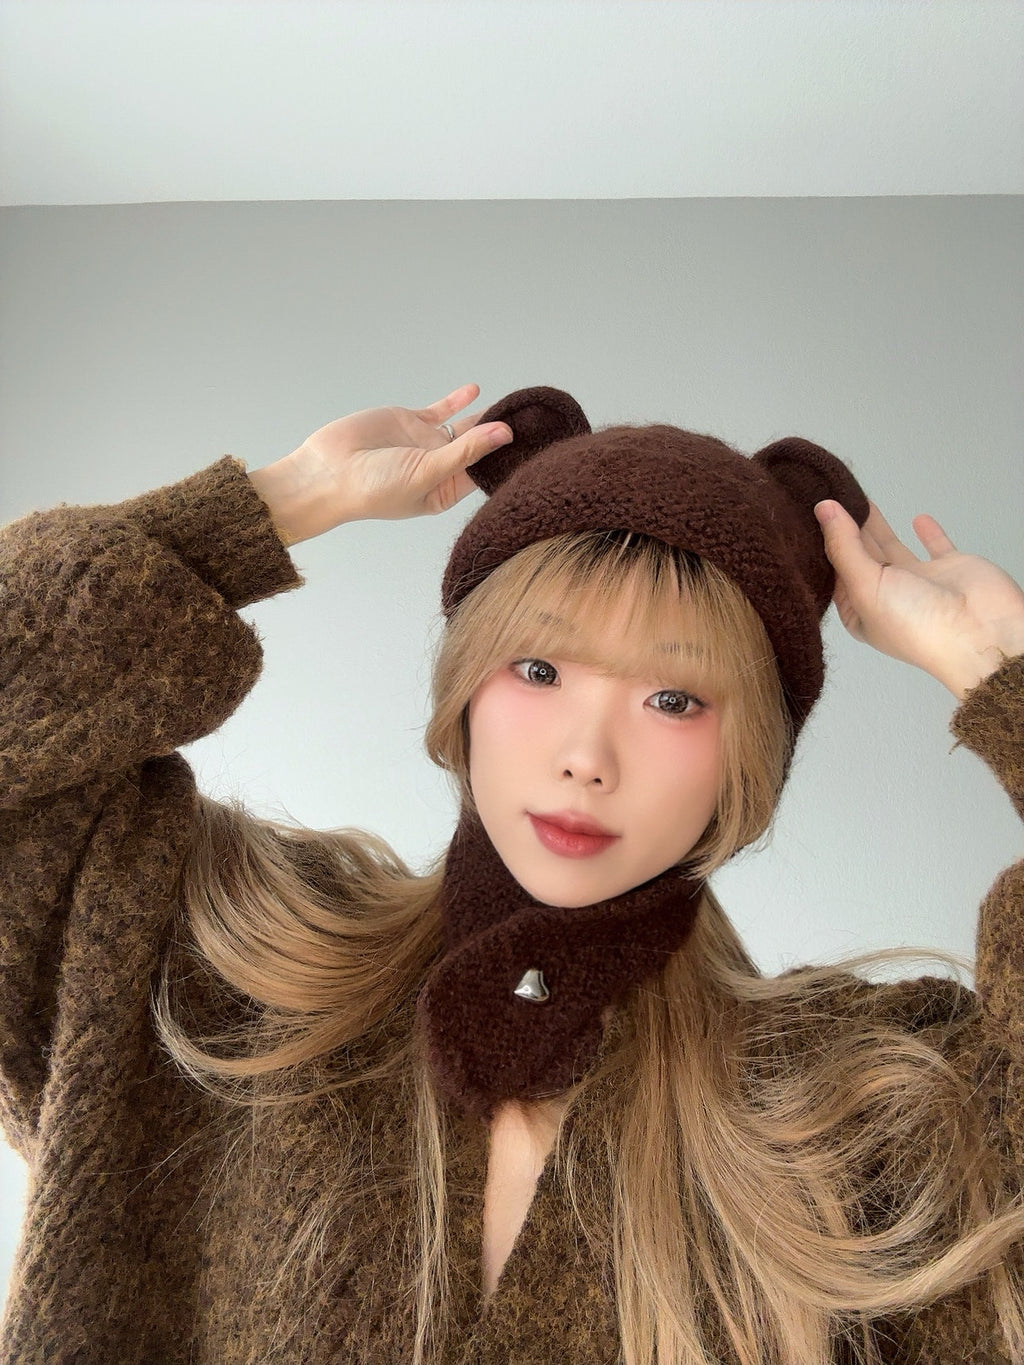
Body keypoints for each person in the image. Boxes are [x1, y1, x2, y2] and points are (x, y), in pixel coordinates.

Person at [1, 380, 1022, 1365]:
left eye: (674, 700)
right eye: (537, 669)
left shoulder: (855, 1119)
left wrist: (1004, 678)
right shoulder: (228, 979)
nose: (587, 755)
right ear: (466, 692)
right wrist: (275, 503)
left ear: (748, 755)